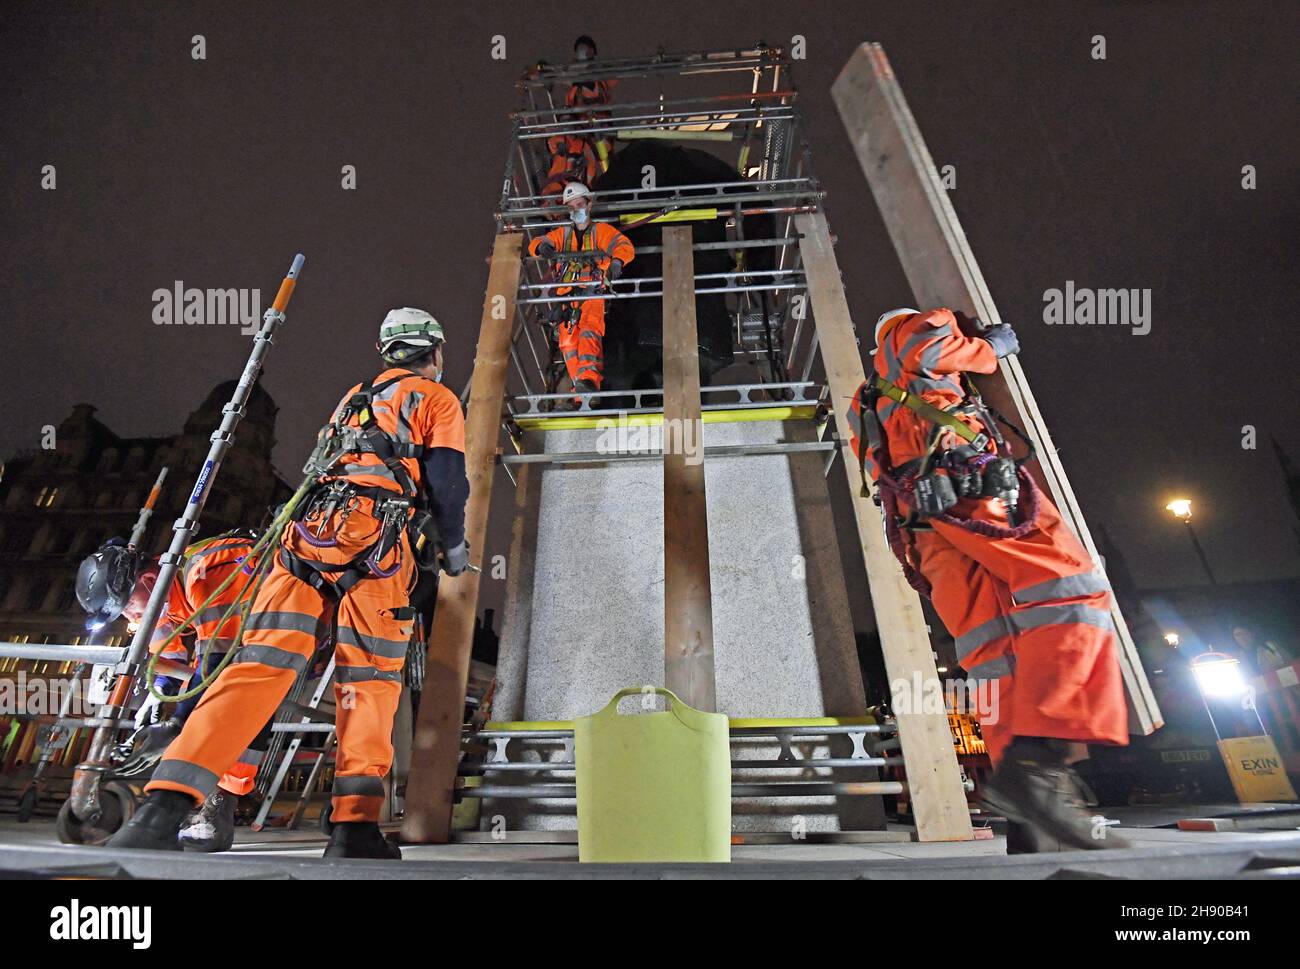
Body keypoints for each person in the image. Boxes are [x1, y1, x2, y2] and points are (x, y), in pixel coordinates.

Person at [111, 307, 470, 860]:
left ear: (387, 351)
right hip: (376, 541)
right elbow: (448, 480)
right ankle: (353, 829)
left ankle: (161, 810)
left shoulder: (353, 397)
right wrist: (453, 546)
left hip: (303, 541)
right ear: (435, 352)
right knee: (369, 683)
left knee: (258, 667)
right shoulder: (437, 399)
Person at [848, 307, 1129, 853]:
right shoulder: (918, 328)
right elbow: (928, 350)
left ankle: (1032, 817)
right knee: (1073, 592)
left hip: (927, 527)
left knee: (995, 653)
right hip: (973, 495)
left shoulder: (870, 400)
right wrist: (989, 349)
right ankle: (1039, 760)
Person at [119, 532, 270, 852]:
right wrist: (157, 696)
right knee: (210, 689)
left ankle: (220, 804)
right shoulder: (158, 600)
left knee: (243, 690)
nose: (130, 617)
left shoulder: (205, 571)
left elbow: (217, 653)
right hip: (238, 638)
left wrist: (181, 723)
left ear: (149, 580)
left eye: (129, 605)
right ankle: (195, 801)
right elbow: (168, 659)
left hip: (268, 625)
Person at [529, 182, 634, 407]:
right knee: (568, 343)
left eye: (579, 204)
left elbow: (623, 245)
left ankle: (589, 382)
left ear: (588, 204)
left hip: (592, 291)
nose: (576, 209)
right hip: (567, 297)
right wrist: (541, 247)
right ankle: (581, 392)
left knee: (588, 332)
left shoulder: (602, 232)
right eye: (572, 206)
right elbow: (538, 243)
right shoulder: (563, 234)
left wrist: (617, 260)